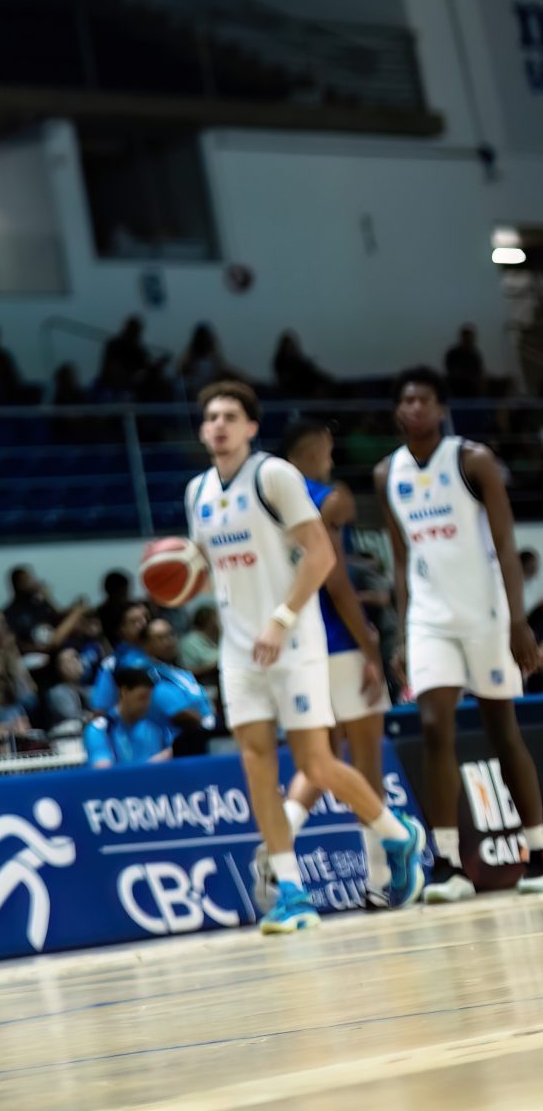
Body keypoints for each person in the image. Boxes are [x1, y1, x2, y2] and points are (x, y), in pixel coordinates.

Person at [189, 379, 423, 934]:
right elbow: (203, 567)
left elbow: (320, 557)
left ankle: (398, 834)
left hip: (293, 643)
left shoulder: (273, 475)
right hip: (239, 652)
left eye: (230, 416)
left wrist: (282, 617)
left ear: (251, 427)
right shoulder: (197, 491)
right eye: (211, 417)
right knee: (256, 765)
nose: (218, 425)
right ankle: (292, 892)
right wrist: (175, 576)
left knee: (316, 764)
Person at [377, 366, 543, 899]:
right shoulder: (387, 473)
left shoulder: (473, 460)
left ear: (442, 409)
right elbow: (401, 561)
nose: (415, 408)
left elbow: (506, 546)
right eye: (407, 400)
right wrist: (403, 634)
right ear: (398, 410)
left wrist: (518, 621)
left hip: (487, 616)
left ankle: (538, 851)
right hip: (430, 619)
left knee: (501, 728)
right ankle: (448, 864)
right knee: (433, 727)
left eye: (424, 399)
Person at [276, 419, 392, 907]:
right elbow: (338, 582)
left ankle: (279, 839)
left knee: (318, 758)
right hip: (338, 641)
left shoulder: (267, 502)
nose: (331, 457)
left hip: (293, 647)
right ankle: (381, 879)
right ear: (316, 450)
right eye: (328, 449)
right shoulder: (329, 499)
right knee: (366, 762)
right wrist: (370, 646)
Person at [84, 668, 174, 767]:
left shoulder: (157, 726)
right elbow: (103, 771)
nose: (146, 705)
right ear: (124, 692)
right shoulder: (100, 730)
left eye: (149, 699)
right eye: (142, 697)